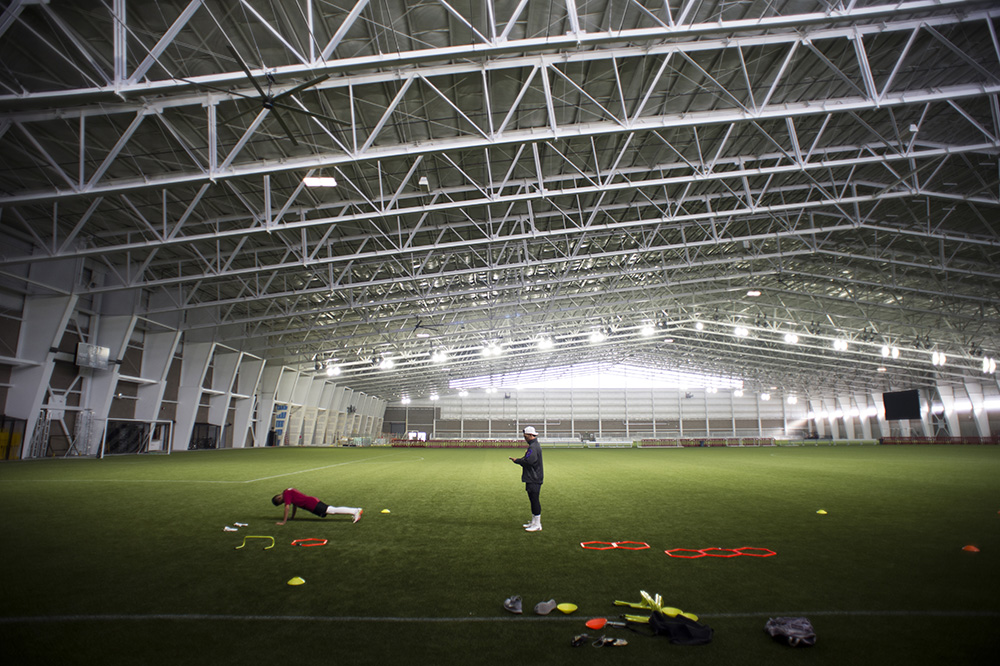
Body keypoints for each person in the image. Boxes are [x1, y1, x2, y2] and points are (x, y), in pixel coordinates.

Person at [509, 426, 544, 532]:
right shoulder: (534, 446)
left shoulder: (533, 447)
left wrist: (517, 461)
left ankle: (537, 524)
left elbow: (529, 461)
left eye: (525, 436)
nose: (524, 439)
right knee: (533, 499)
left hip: (534, 477)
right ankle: (534, 522)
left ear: (530, 435)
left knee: (534, 500)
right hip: (533, 477)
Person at [271, 487, 362, 525]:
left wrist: (284, 521)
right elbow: (294, 505)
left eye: (281, 502)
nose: (283, 503)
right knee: (329, 511)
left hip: (311, 503)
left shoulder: (286, 494)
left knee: (331, 510)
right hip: (311, 502)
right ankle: (355, 510)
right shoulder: (288, 491)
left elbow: (287, 507)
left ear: (279, 498)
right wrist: (292, 517)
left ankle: (355, 511)